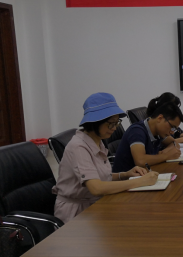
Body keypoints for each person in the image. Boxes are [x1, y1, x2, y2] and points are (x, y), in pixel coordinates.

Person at [53, 93, 159, 224]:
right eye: (110, 124)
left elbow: (99, 176)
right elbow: (96, 188)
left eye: (117, 123)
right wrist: (140, 181)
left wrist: (125, 174)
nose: (114, 128)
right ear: (94, 122)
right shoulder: (78, 147)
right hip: (76, 214)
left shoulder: (98, 141)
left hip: (96, 204)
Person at [112, 99, 183, 173]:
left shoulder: (158, 132)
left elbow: (174, 143)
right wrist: (166, 156)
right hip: (127, 178)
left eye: (174, 129)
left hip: (146, 173)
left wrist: (163, 153)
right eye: (172, 127)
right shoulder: (137, 131)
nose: (172, 132)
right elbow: (140, 161)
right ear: (160, 118)